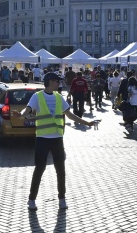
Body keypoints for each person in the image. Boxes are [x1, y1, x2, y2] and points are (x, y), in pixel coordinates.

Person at [12, 72, 98, 211]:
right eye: (57, 81)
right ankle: (31, 199)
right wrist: (21, 114)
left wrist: (87, 123)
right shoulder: (37, 96)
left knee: (61, 170)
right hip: (42, 139)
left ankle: (62, 199)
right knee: (39, 169)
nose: (59, 83)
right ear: (51, 82)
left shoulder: (59, 97)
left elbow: (70, 115)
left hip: (57, 138)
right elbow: (27, 110)